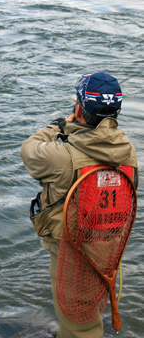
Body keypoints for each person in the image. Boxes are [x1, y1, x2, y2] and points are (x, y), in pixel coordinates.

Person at [20, 72, 138, 338]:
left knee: (78, 325)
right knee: (86, 311)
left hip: (70, 251)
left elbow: (29, 149)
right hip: (107, 247)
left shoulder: (63, 157)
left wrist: (59, 126)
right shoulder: (128, 151)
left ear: (79, 110)